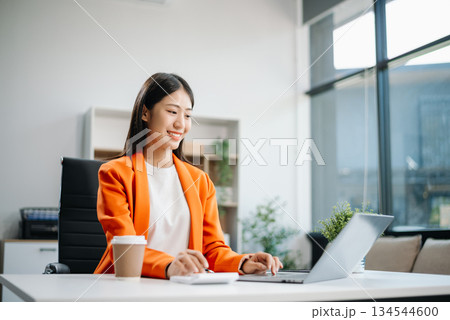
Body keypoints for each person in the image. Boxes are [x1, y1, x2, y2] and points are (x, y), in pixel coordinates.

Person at [94, 72, 283, 279]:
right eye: (172, 112)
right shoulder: (115, 173)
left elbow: (212, 249)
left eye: (187, 115)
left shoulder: (200, 181)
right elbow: (124, 247)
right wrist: (170, 266)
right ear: (145, 113)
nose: (181, 124)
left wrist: (243, 262)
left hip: (182, 288)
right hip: (128, 287)